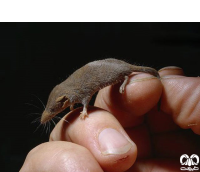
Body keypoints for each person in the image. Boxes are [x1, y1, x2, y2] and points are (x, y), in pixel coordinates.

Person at [20, 66, 200, 172]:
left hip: (117, 73)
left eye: (53, 110)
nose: (48, 116)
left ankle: (124, 79)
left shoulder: (77, 93)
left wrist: (83, 109)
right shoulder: (67, 92)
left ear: (65, 101)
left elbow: (86, 95)